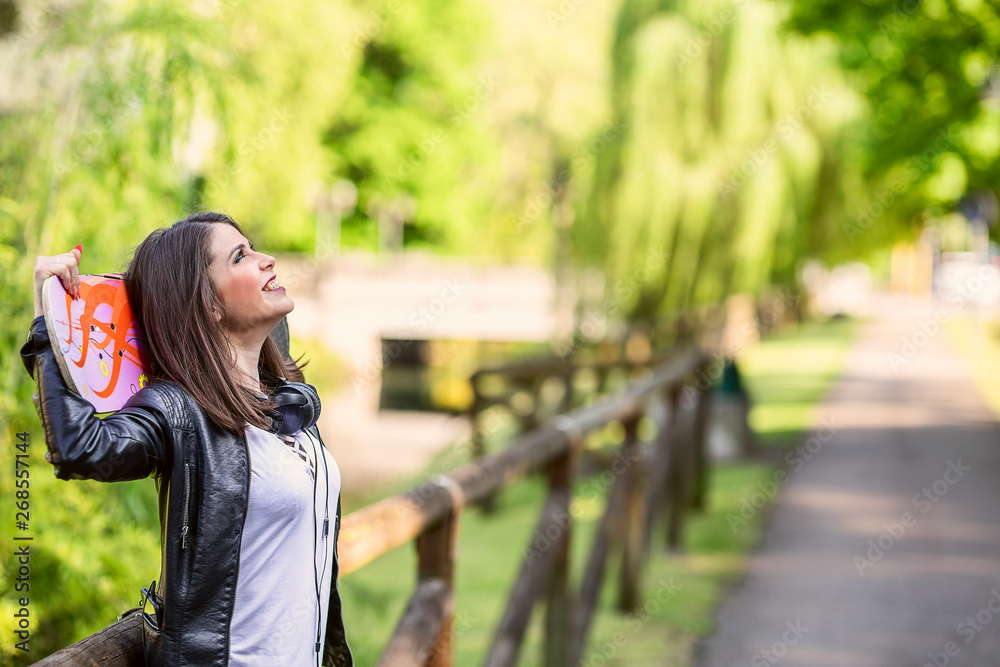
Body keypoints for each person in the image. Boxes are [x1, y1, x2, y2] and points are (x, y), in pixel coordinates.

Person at [20, 211, 353, 667]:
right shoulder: (180, 410)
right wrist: (49, 323)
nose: (267, 259)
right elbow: (81, 449)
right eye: (241, 256)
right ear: (207, 304)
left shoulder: (285, 399)